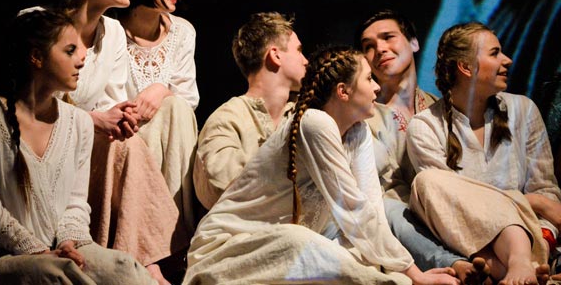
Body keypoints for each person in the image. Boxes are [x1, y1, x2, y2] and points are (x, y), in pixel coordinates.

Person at [184, 45, 460, 285]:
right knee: (298, 242)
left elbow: (371, 210)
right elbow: (352, 209)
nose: (377, 87)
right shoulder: (314, 122)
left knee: (354, 250)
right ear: (343, 91)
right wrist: (413, 274)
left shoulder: (359, 131)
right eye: (368, 79)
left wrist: (393, 264)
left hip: (292, 241)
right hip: (229, 246)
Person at [0, 8, 157, 284]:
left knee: (124, 270)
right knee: (53, 275)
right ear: (37, 57)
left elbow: (75, 203)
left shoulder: (79, 123)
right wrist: (37, 251)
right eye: (70, 51)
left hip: (59, 248)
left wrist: (68, 242)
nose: (81, 60)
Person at [44, 0, 187, 284]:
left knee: (128, 140)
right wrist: (94, 120)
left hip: (87, 155)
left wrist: (121, 117)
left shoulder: (112, 34)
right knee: (123, 145)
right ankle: (149, 262)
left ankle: (144, 260)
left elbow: (113, 103)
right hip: (44, 155)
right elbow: (24, 109)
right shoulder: (38, 25)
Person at [406, 21, 561, 284]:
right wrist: (531, 201)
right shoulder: (425, 126)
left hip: (534, 239)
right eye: (495, 53)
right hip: (476, 248)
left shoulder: (523, 110)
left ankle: (522, 263)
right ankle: (510, 271)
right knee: (426, 182)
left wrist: (542, 245)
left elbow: (546, 193)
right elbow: (449, 213)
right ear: (466, 68)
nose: (507, 60)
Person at [356, 9, 489, 283]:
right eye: (368, 46)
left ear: (414, 43)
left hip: (456, 214)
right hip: (403, 224)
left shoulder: (443, 107)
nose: (379, 49)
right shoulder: (364, 117)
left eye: (388, 37)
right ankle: (459, 266)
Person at [112, 0, 199, 239]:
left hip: (172, 142)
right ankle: (166, 236)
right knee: (173, 111)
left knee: (176, 109)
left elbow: (188, 98)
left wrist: (161, 91)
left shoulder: (182, 32)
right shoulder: (111, 33)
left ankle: (177, 232)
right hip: (126, 138)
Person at [193, 11, 308, 210]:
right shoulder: (228, 118)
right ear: (275, 55)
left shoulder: (306, 114)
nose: (305, 60)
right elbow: (217, 184)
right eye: (299, 50)